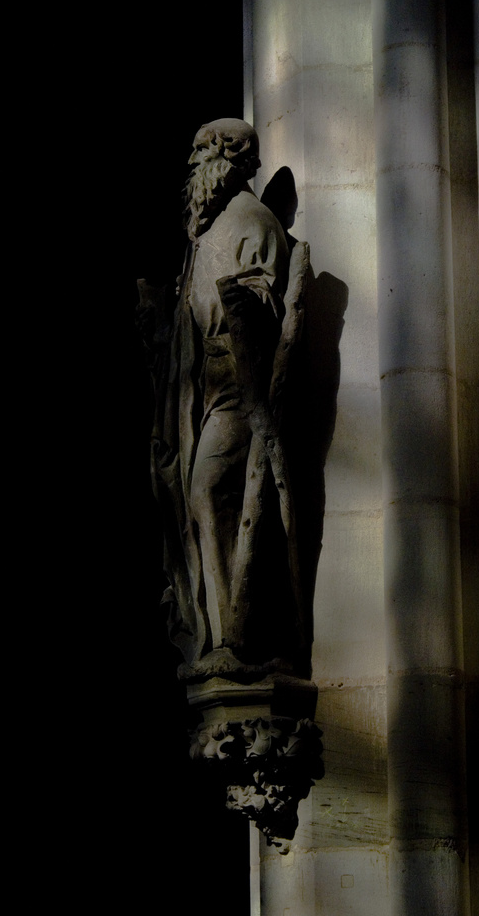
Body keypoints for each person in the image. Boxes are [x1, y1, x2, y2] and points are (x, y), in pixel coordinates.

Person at [142, 119, 310, 676]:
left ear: (226, 157)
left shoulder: (253, 220)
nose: (191, 165)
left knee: (210, 489)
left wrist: (241, 301)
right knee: (188, 499)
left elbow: (267, 293)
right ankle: (213, 631)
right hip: (195, 385)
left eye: (199, 153)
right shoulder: (204, 234)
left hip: (235, 380)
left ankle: (242, 636)